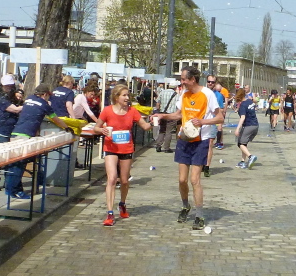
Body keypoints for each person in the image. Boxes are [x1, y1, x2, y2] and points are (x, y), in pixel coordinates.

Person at [153, 65, 223, 230]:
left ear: (192, 79)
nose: (182, 82)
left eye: (184, 79)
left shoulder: (207, 94)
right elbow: (178, 114)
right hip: (184, 139)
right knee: (182, 180)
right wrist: (162, 116)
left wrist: (203, 121)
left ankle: (199, 215)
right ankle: (185, 206)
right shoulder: (184, 94)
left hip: (201, 141)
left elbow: (220, 117)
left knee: (194, 179)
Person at [93, 84, 151, 226]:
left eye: (128, 95)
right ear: (116, 97)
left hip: (126, 149)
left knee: (124, 181)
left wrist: (154, 122)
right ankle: (110, 213)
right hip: (111, 147)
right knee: (112, 178)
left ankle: (122, 203)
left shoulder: (132, 111)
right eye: (124, 95)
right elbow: (96, 128)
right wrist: (102, 130)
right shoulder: (107, 111)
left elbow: (145, 126)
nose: (127, 98)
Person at [5, 84, 74, 199]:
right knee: (20, 165)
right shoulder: (44, 104)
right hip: (25, 136)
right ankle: (14, 191)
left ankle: (11, 189)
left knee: (14, 163)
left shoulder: (29, 99)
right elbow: (55, 119)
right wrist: (67, 128)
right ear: (45, 94)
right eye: (48, 96)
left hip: (15, 133)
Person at [234, 87, 259, 169]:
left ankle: (251, 156)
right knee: (244, 144)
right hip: (255, 125)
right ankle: (242, 162)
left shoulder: (243, 105)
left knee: (240, 143)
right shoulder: (249, 101)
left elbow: (243, 117)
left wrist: (237, 129)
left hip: (248, 126)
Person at [155, 82, 179, 153]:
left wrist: (158, 111)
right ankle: (166, 148)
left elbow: (158, 103)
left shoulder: (162, 92)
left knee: (162, 130)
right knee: (169, 131)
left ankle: (158, 145)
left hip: (162, 114)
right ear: (175, 87)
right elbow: (178, 107)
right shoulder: (177, 95)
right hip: (171, 115)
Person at [214, 81, 229, 148]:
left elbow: (226, 102)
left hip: (219, 111)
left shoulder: (222, 92)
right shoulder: (211, 93)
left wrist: (224, 111)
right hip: (216, 111)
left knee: (219, 127)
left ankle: (219, 142)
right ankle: (218, 141)